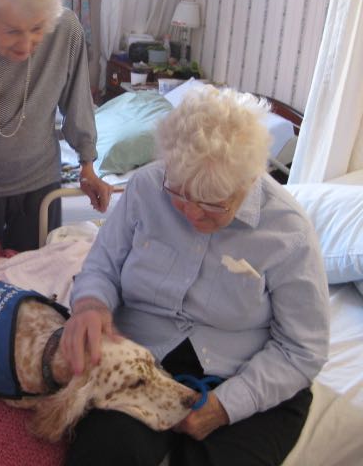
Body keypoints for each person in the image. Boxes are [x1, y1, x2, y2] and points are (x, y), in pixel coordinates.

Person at [60, 85, 330, 466]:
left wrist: (228, 405)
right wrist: (90, 304)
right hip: (144, 360)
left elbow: (303, 349)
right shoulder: (146, 186)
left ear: (248, 182)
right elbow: (102, 266)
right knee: (103, 453)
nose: (190, 213)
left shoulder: (288, 231)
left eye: (212, 206)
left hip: (243, 373)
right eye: (180, 194)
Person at [0, 0, 112, 259]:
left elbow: (78, 102)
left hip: (40, 186)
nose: (26, 44)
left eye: (37, 28)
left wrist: (87, 164)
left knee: (35, 287)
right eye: (12, 31)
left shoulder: (66, 31)